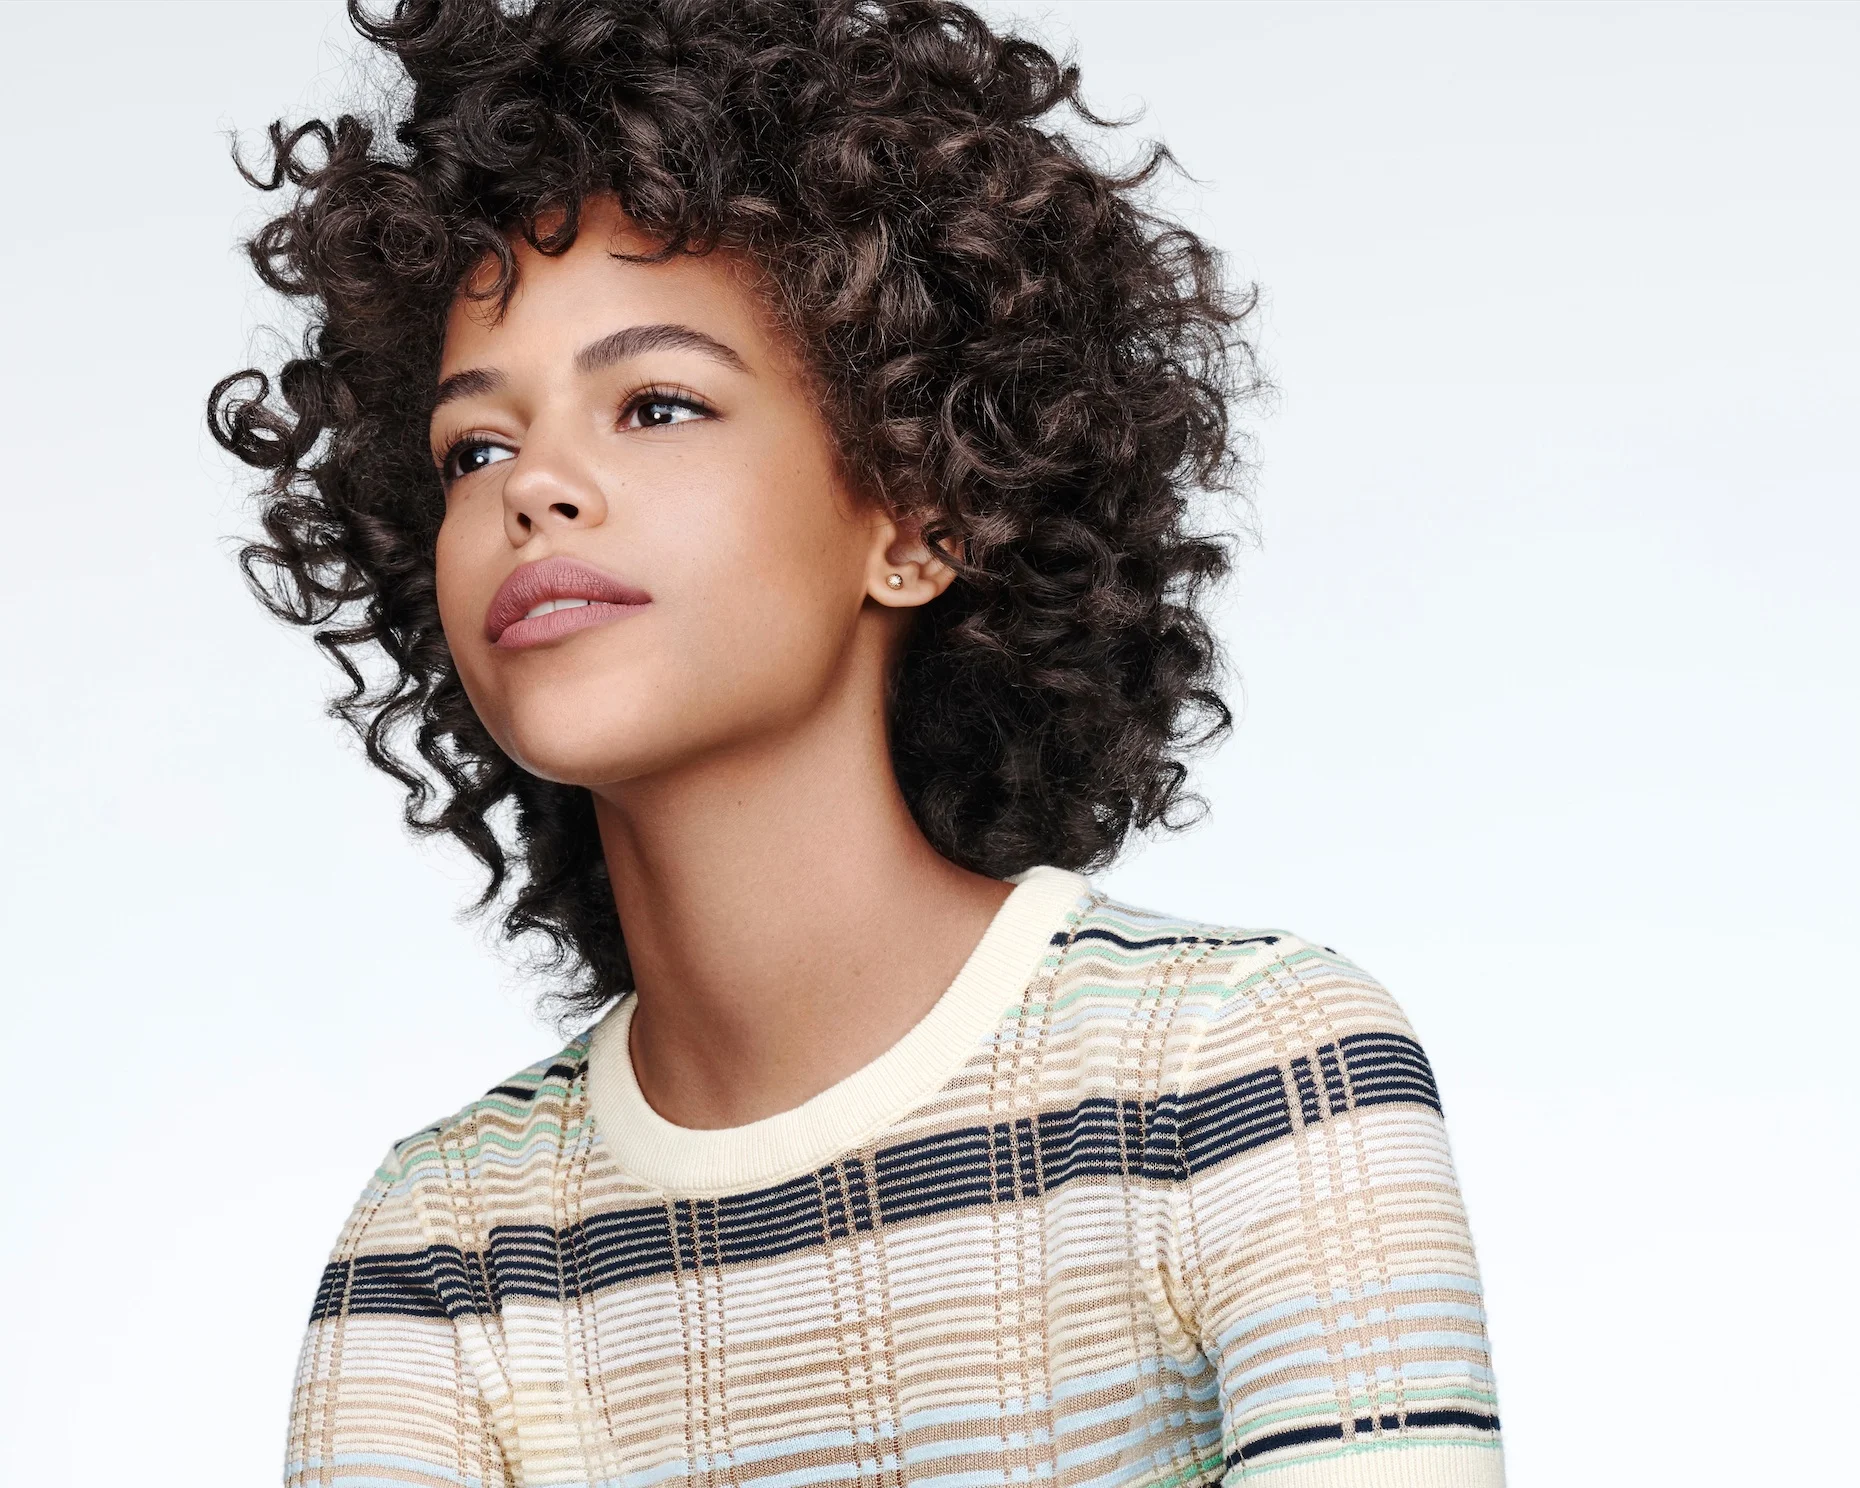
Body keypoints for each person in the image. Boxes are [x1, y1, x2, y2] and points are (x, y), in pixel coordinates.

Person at [210, 2, 1503, 1484]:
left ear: (916, 519)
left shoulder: (1244, 1075)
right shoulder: (443, 1253)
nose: (536, 488)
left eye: (657, 404)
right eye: (475, 448)